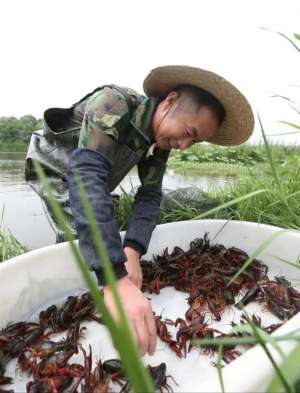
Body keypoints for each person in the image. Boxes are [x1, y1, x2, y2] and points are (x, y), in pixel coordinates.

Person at [25, 65, 254, 356]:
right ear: (169, 102)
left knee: (108, 225)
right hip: (58, 166)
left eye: (193, 142)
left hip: (97, 171)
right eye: (189, 132)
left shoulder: (160, 143)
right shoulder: (113, 103)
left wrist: (133, 249)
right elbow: (86, 177)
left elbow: (149, 195)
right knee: (77, 238)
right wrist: (116, 277)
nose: (184, 145)